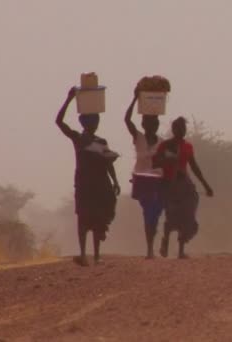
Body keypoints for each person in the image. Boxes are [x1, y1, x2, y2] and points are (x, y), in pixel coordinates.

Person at [55, 87, 120, 266]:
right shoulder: (78, 138)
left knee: (99, 219)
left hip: (100, 184)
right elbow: (59, 122)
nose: (95, 122)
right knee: (83, 218)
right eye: (92, 120)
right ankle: (83, 254)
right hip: (84, 184)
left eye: (96, 119)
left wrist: (115, 181)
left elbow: (108, 163)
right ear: (83, 122)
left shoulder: (101, 142)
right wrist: (68, 99)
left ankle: (97, 255)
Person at [153, 117, 213, 259]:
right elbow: (154, 163)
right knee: (172, 215)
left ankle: (180, 250)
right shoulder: (165, 145)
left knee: (188, 216)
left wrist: (206, 185)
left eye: (183, 129)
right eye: (179, 129)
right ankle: (165, 241)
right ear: (174, 130)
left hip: (185, 185)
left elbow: (194, 166)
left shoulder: (187, 147)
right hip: (168, 184)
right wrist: (167, 160)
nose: (182, 131)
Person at [124, 90, 164, 259]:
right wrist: (134, 99)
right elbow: (127, 119)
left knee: (154, 214)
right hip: (142, 181)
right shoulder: (138, 138)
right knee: (148, 212)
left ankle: (152, 244)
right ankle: (149, 248)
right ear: (143, 124)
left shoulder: (162, 142)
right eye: (148, 122)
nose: (151, 125)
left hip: (158, 182)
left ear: (157, 125)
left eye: (154, 122)